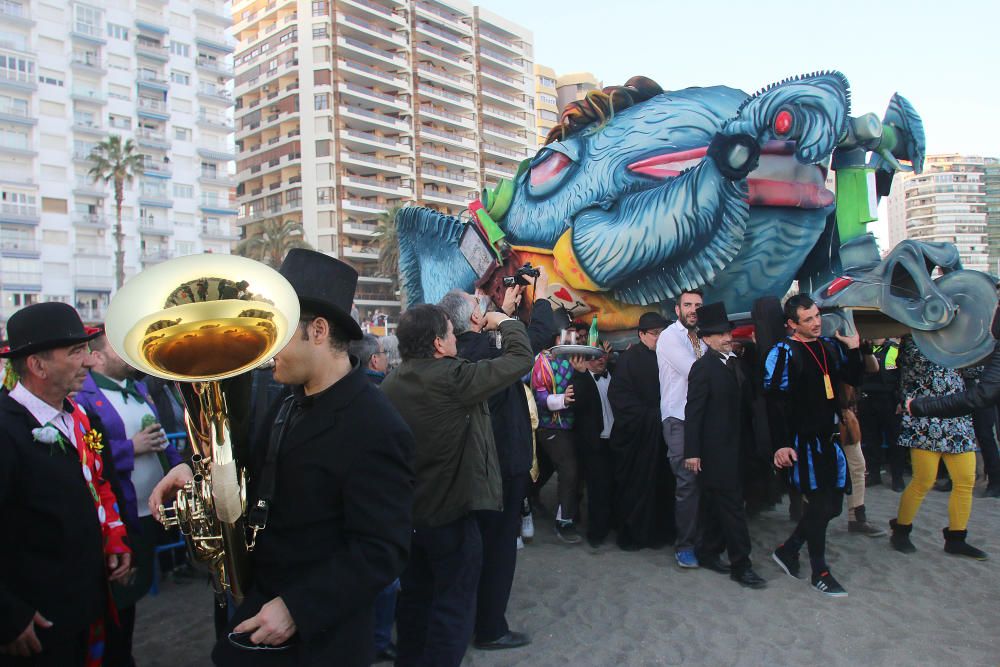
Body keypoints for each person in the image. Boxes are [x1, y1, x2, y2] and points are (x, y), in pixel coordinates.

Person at [151, 249, 415, 666]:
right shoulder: (286, 400)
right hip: (260, 605)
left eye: (277, 333)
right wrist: (191, 466)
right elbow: (251, 464)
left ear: (318, 331)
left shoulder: (376, 425)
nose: (265, 348)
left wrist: (297, 608)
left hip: (319, 639)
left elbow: (382, 549)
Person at [382, 303, 533, 667]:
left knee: (415, 603)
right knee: (453, 607)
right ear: (438, 343)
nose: (457, 339)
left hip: (409, 517)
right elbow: (520, 359)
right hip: (451, 516)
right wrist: (506, 321)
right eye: (452, 333)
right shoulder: (454, 378)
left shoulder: (390, 384)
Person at [0, 302, 131, 665]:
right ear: (37, 365)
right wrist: (8, 616)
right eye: (77, 352)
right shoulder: (5, 428)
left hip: (86, 606)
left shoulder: (81, 417)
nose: (90, 361)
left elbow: (100, 485)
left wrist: (115, 540)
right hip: (37, 626)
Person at [440, 275, 554, 652]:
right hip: (503, 465)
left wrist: (502, 313)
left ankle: (472, 618)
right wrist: (539, 298)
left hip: (475, 465)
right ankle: (490, 627)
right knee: (499, 548)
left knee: (475, 547)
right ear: (473, 322)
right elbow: (534, 340)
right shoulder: (487, 351)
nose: (484, 308)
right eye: (478, 308)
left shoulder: (461, 352)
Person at [75, 332, 187, 667]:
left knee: (131, 599)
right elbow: (88, 455)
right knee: (118, 602)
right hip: (120, 514)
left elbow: (160, 439)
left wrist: (181, 469)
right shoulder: (83, 395)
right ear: (96, 357)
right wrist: (130, 448)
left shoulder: (138, 389)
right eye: (118, 346)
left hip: (148, 511)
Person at [765, 294, 862, 598]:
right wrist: (780, 445)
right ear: (792, 324)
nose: (817, 322)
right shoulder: (783, 352)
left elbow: (853, 376)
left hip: (830, 439)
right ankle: (820, 571)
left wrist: (856, 349)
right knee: (819, 504)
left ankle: (789, 548)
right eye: (808, 319)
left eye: (817, 315)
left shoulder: (830, 347)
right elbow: (774, 404)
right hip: (803, 443)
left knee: (832, 505)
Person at [684, 302, 766, 589]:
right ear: (706, 339)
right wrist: (692, 452)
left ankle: (707, 552)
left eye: (727, 332)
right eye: (719, 334)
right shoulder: (702, 368)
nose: (726, 337)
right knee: (733, 508)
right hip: (716, 451)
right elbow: (693, 412)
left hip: (739, 447)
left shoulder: (735, 362)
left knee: (717, 506)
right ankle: (741, 565)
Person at [890, 336, 987, 559]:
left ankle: (957, 538)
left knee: (965, 480)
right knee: (923, 480)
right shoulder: (915, 340)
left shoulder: (959, 340)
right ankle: (901, 530)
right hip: (926, 417)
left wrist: (976, 345)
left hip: (956, 418)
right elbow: (915, 369)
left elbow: (976, 370)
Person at [609, 311, 673, 551]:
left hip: (663, 436)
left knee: (663, 485)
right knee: (634, 488)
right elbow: (620, 396)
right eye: (654, 333)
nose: (659, 338)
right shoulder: (629, 359)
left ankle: (660, 533)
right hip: (636, 438)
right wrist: (649, 417)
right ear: (641, 334)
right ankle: (633, 535)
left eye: (662, 333)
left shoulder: (669, 358)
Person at [656, 289, 706, 567]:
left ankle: (703, 541)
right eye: (687, 305)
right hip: (677, 418)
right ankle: (685, 546)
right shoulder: (669, 337)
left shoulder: (703, 337)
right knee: (687, 481)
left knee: (704, 481)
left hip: (703, 419)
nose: (692, 309)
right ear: (677, 310)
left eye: (698, 305)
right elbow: (697, 372)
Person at [573, 346, 615, 548]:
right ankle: (596, 532)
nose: (601, 360)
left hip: (615, 439)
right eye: (596, 358)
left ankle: (611, 524)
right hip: (594, 441)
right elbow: (577, 404)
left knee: (613, 484)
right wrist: (580, 374)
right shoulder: (580, 379)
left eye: (603, 356)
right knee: (597, 488)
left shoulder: (613, 374)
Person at [858, 338, 905, 490]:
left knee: (895, 440)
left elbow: (903, 375)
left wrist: (901, 400)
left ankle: (897, 477)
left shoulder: (895, 348)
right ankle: (874, 474)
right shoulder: (861, 347)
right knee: (871, 440)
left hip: (890, 399)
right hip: (867, 399)